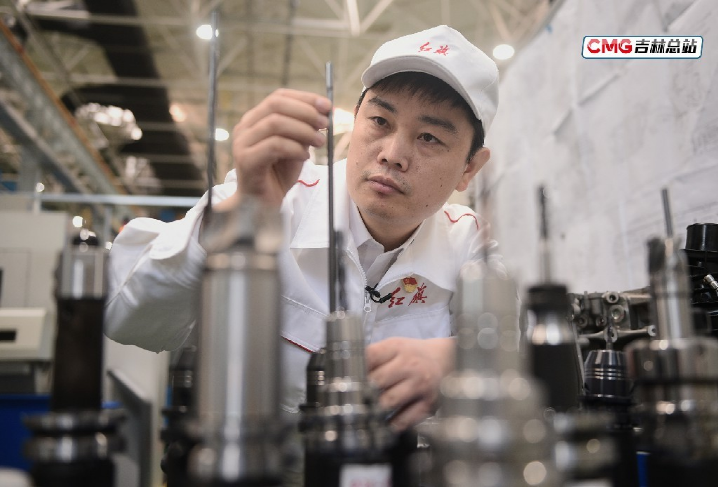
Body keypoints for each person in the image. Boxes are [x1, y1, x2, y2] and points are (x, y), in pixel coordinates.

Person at [105, 25, 502, 432]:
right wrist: (242, 215)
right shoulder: (272, 196)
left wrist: (459, 361)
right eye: (381, 121)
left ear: (469, 168)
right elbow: (126, 316)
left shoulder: (470, 247)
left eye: (429, 137)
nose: (393, 154)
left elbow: (512, 355)